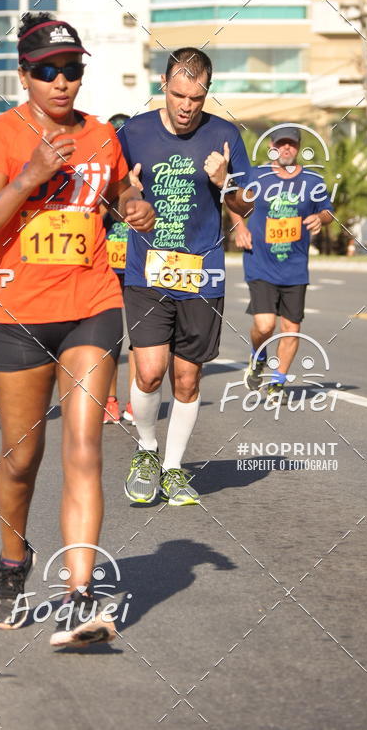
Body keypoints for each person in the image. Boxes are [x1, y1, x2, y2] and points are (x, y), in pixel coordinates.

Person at [0, 11, 154, 646]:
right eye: (48, 71)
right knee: (21, 461)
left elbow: (120, 195)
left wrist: (134, 206)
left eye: (72, 70)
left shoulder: (102, 136)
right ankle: (14, 563)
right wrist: (29, 177)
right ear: (24, 75)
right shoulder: (0, 135)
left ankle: (79, 594)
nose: (62, 81)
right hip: (18, 316)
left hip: (92, 303)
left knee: (83, 447)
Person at [119, 47, 252, 507]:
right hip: (146, 272)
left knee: (187, 380)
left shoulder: (225, 135)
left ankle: (174, 470)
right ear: (163, 86)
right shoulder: (132, 132)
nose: (185, 106)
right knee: (151, 370)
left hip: (202, 275)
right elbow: (109, 195)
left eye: (195, 98)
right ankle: (146, 449)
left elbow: (244, 208)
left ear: (206, 93)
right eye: (178, 94)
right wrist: (126, 194)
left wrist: (227, 183)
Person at [229, 125, 333, 398]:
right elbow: (234, 203)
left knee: (291, 327)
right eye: (281, 144)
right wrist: (240, 227)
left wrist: (319, 218)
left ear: (298, 148)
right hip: (260, 262)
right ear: (271, 147)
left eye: (292, 144)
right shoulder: (257, 176)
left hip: (295, 266)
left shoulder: (312, 181)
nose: (286, 148)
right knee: (264, 325)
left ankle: (277, 383)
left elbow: (327, 212)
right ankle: (258, 355)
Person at [102, 113, 136, 425]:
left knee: (141, 337)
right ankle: (109, 400)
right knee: (110, 337)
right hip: (107, 265)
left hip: (139, 263)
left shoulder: (142, 170)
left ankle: (136, 403)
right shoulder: (100, 173)